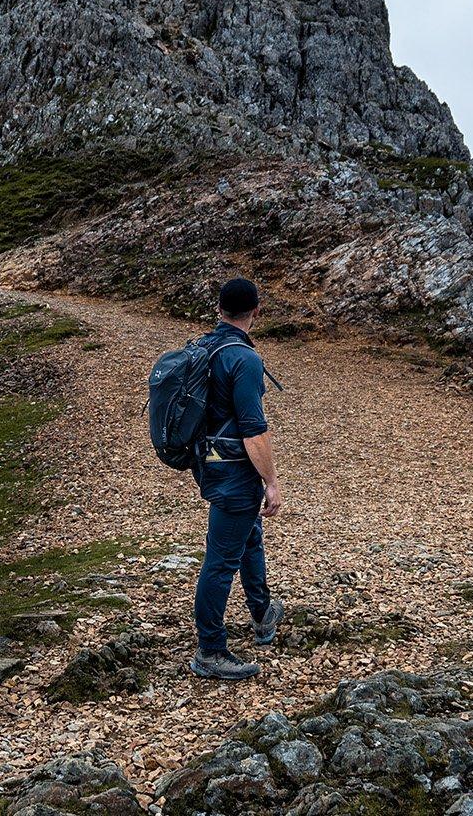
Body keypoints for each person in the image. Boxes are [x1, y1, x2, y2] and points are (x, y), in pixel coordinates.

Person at [189, 276, 284, 680]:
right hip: (235, 469)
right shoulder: (243, 359)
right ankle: (209, 650)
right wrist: (272, 482)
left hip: (210, 459)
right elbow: (253, 431)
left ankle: (262, 612)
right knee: (221, 560)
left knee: (249, 536)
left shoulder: (206, 348)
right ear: (256, 312)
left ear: (219, 310)